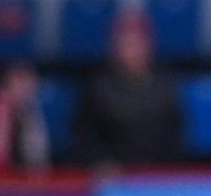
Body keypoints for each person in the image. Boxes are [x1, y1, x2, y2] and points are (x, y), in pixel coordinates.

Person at [77, 10, 181, 169]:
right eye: (125, 44)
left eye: (137, 44)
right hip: (113, 173)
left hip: (158, 173)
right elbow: (87, 137)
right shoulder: (97, 87)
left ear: (148, 46)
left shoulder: (166, 85)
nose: (132, 51)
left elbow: (174, 137)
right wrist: (101, 161)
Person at [0, 61, 49, 172]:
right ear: (6, 80)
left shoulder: (30, 106)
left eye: (31, 77)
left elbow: (38, 160)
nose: (29, 83)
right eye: (20, 78)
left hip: (22, 175)